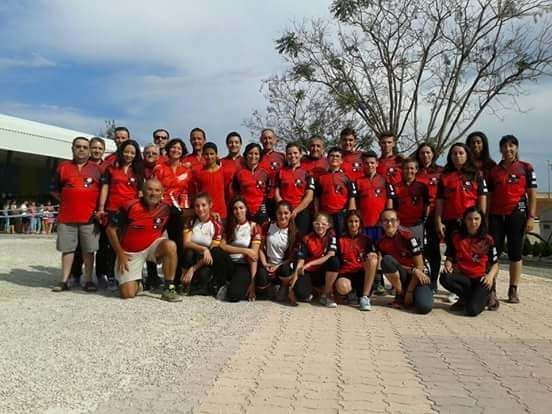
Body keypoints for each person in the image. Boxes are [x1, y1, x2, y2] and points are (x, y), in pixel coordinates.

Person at [105, 178, 181, 301]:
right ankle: (139, 282)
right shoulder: (129, 206)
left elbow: (186, 214)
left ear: (162, 193)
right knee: (127, 294)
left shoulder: (167, 207)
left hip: (152, 247)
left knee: (170, 245)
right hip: (130, 252)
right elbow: (110, 229)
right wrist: (120, 254)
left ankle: (169, 288)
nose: (153, 193)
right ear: (142, 192)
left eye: (157, 190)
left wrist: (211, 214)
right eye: (150, 189)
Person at [488, 135, 537, 304]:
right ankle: (491, 289)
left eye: (511, 146)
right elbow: (489, 196)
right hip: (496, 216)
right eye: (504, 146)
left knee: (515, 254)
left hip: (517, 214)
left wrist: (531, 217)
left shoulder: (526, 167)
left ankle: (513, 289)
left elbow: (532, 194)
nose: (508, 149)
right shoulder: (494, 170)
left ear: (516, 148)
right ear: (500, 149)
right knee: (493, 254)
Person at [51, 137, 101, 292]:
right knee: (67, 249)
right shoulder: (63, 167)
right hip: (67, 217)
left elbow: (103, 190)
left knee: (89, 250)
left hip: (89, 218)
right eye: (78, 146)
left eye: (85, 147)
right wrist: (68, 201)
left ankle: (88, 280)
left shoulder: (97, 169)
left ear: (89, 150)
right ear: (72, 148)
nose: (81, 149)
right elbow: (54, 189)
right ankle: (64, 280)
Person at [97, 140, 144, 288]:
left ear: (136, 155)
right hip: (112, 210)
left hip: (131, 212)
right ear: (121, 152)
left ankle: (127, 275)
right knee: (110, 245)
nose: (129, 155)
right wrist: (101, 208)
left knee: (127, 244)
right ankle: (109, 275)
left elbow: (141, 193)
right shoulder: (111, 169)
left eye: (132, 152)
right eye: (126, 151)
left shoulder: (138, 172)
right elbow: (105, 188)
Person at [439, 206, 499, 316]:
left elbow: (495, 265)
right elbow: (450, 256)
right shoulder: (456, 236)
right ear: (464, 220)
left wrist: (490, 276)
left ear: (481, 220)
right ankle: (465, 298)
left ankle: (484, 296)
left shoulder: (488, 239)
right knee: (444, 277)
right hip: (464, 278)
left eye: (476, 219)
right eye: (469, 219)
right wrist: (448, 264)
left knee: (472, 311)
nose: (473, 222)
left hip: (481, 279)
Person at [153, 138, 192, 292]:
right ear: (168, 150)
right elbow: (154, 188)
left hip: (177, 210)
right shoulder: (159, 168)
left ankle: (174, 279)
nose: (176, 150)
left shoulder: (186, 170)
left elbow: (185, 191)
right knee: (154, 240)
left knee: (178, 244)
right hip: (160, 208)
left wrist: (184, 210)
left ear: (183, 152)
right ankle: (152, 277)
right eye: (173, 148)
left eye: (179, 148)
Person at [377, 208, 433, 314]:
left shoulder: (408, 236)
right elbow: (391, 265)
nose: (389, 223)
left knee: (424, 307)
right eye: (385, 220)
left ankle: (412, 294)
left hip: (419, 275)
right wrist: (412, 270)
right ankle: (400, 294)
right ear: (380, 223)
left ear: (398, 222)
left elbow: (420, 266)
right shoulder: (381, 242)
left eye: (393, 220)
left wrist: (410, 291)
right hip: (408, 273)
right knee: (386, 261)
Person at [435, 143, 488, 251]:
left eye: (461, 153)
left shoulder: (476, 174)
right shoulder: (444, 176)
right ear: (450, 156)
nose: (457, 156)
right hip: (451, 221)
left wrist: (480, 220)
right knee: (453, 253)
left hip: (470, 220)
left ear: (467, 155)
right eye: (454, 153)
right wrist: (438, 222)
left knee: (471, 252)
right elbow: (440, 201)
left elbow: (482, 198)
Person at [213, 196, 262, 302]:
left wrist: (252, 285)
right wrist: (245, 250)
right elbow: (222, 246)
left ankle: (233, 285)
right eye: (235, 208)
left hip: (243, 265)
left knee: (234, 296)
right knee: (216, 251)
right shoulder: (229, 226)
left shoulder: (254, 227)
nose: (238, 211)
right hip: (229, 263)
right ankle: (222, 284)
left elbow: (253, 255)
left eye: (241, 208)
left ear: (246, 209)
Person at [288, 212, 339, 307]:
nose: (320, 226)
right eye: (317, 223)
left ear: (328, 225)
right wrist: (291, 287)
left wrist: (309, 264)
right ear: (313, 224)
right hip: (309, 272)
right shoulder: (306, 239)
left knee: (334, 261)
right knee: (301, 294)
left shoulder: (331, 235)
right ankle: (316, 291)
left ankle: (326, 294)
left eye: (323, 224)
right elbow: (300, 263)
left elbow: (330, 255)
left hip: (323, 271)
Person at [334, 210, 379, 311]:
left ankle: (365, 297)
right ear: (346, 223)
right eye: (350, 221)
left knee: (373, 259)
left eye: (356, 221)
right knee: (342, 286)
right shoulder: (340, 240)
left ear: (360, 223)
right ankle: (351, 293)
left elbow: (373, 258)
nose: (353, 224)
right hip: (346, 273)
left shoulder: (367, 239)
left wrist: (372, 255)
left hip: (362, 273)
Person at [181, 192, 225, 295]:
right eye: (197, 206)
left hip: (204, 261)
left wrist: (193, 269)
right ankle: (183, 280)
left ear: (210, 205)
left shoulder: (217, 225)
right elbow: (186, 243)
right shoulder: (191, 221)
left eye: (204, 205)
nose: (200, 209)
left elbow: (212, 251)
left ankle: (206, 283)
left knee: (203, 275)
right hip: (191, 257)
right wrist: (203, 249)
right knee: (189, 252)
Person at [256, 201, 299, 302]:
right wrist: (265, 263)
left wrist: (278, 266)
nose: (282, 216)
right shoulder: (267, 226)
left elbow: (292, 256)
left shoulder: (295, 232)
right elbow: (260, 248)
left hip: (282, 265)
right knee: (261, 278)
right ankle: (270, 288)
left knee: (285, 269)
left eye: (286, 213)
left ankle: (283, 287)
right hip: (268, 264)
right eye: (280, 213)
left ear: (291, 214)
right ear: (276, 213)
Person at [415, 142, 444, 291]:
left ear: (433, 154)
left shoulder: (441, 171)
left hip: (435, 215)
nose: (425, 155)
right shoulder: (414, 170)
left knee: (433, 249)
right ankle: (417, 279)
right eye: (422, 153)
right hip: (417, 215)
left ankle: (433, 280)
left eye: (428, 152)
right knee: (417, 248)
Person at [314, 147, 357, 237]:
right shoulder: (321, 177)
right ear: (327, 159)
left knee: (341, 238)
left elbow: (352, 197)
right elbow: (317, 197)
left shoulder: (347, 177)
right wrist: (317, 213)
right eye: (332, 156)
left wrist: (351, 215)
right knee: (326, 238)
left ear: (341, 161)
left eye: (337, 156)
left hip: (341, 214)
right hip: (325, 215)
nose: (334, 158)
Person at [274, 142, 315, 235]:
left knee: (300, 239)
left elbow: (309, 196)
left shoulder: (307, 173)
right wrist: (284, 209)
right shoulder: (280, 172)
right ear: (286, 155)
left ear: (300, 154)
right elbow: (276, 193)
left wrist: (296, 211)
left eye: (295, 153)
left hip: (301, 212)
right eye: (289, 153)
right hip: (284, 213)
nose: (292, 156)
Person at [392, 158, 430, 245]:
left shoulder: (422, 186)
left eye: (412, 168)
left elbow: (427, 204)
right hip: (401, 226)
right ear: (402, 170)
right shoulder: (395, 187)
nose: (409, 171)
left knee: (418, 250)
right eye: (406, 168)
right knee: (402, 249)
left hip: (417, 225)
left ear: (416, 170)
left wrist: (424, 220)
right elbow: (393, 207)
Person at [233, 143, 270, 225]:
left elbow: (268, 192)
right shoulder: (239, 173)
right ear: (246, 155)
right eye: (250, 153)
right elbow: (236, 192)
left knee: (262, 231)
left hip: (261, 209)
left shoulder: (265, 173)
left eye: (256, 154)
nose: (253, 156)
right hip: (245, 210)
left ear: (260, 156)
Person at [192, 142, 227, 220]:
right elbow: (196, 193)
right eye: (206, 154)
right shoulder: (198, 172)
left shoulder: (223, 171)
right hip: (204, 213)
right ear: (203, 155)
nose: (209, 156)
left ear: (216, 155)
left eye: (212, 154)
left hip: (221, 214)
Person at [259, 128, 285, 218]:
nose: (267, 141)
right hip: (261, 198)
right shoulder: (257, 156)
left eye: (270, 138)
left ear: (275, 140)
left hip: (278, 197)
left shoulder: (281, 157)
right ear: (261, 140)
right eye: (265, 138)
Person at [220, 131, 244, 203]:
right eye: (231, 142)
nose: (234, 145)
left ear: (240, 144)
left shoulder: (246, 162)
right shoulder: (221, 162)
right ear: (227, 145)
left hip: (242, 202)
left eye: (236, 142)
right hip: (226, 200)